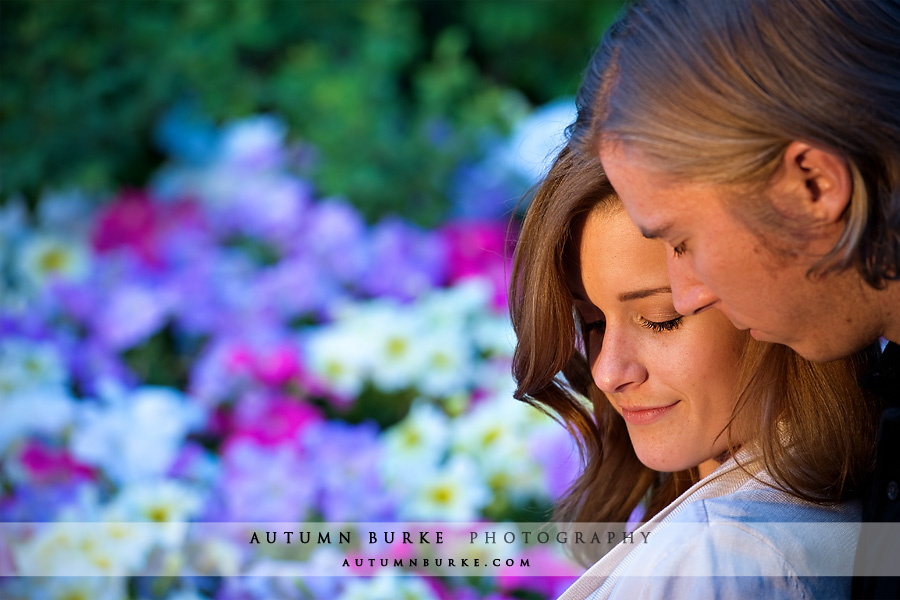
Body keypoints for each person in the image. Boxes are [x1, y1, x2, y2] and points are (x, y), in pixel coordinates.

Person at [566, 1, 899, 595]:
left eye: (684, 241)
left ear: (816, 185)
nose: (693, 291)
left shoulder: (728, 553)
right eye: (592, 324)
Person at [509, 146, 878, 599]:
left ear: (755, 300)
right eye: (594, 323)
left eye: (661, 318)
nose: (607, 373)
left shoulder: (716, 557)